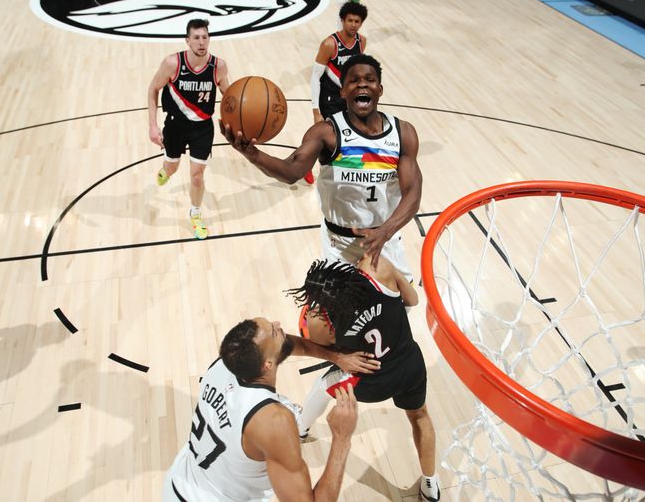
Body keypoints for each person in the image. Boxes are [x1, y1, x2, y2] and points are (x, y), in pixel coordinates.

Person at [221, 54, 423, 282]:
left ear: (380, 89)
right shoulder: (326, 132)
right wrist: (253, 154)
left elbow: (413, 193)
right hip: (340, 245)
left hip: (386, 239)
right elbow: (292, 171)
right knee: (341, 315)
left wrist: (385, 232)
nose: (363, 84)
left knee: (402, 307)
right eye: (354, 81)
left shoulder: (403, 133)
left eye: (369, 79)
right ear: (343, 91)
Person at [162, 317, 381, 501]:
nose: (278, 323)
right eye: (275, 331)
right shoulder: (273, 421)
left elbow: (285, 345)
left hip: (178, 484)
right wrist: (342, 437)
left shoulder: (225, 364)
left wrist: (336, 357)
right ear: (267, 365)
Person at [285, 257, 441, 502]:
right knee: (420, 416)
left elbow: (324, 349)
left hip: (370, 383)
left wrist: (341, 354)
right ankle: (431, 485)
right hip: (410, 365)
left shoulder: (320, 321)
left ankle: (301, 429)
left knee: (322, 385)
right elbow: (412, 300)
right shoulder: (378, 269)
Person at [148, 18, 230, 239]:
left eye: (205, 37)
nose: (201, 42)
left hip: (203, 128)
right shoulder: (172, 64)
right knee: (172, 168)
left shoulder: (218, 66)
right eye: (196, 37)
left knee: (196, 176)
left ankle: (195, 213)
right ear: (187, 40)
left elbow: (230, 98)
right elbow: (153, 89)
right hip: (175, 125)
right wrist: (153, 126)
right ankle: (166, 170)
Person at [303, 1, 368, 184]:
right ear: (342, 20)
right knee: (322, 137)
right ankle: (305, 165)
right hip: (328, 97)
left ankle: (345, 170)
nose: (353, 25)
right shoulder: (329, 44)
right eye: (350, 20)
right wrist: (316, 111)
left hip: (347, 98)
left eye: (357, 21)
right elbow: (315, 77)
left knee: (349, 133)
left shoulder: (361, 42)